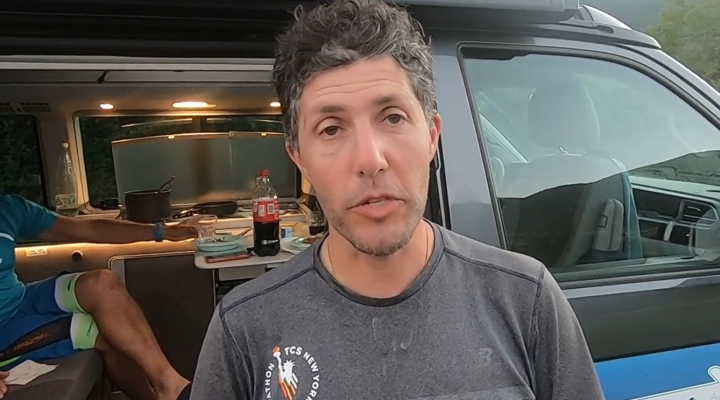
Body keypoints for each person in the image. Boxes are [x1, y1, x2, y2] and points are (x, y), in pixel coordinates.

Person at [191, 0, 605, 399]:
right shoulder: (243, 330)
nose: (370, 160)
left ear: (432, 136)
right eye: (331, 129)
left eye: (393, 117)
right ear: (299, 159)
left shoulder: (526, 300)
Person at [0, 194, 197, 400]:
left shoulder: (8, 208)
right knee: (104, 330)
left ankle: (171, 386)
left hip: (21, 299)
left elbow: (89, 229)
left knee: (102, 283)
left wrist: (162, 231)